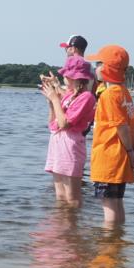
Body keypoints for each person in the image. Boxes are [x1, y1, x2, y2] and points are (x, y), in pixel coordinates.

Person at [86, 45, 134, 226]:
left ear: (107, 68)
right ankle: (118, 243)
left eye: (98, 64)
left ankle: (108, 249)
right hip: (122, 159)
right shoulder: (124, 93)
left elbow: (122, 127)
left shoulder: (109, 95)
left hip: (108, 158)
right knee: (117, 203)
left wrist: (131, 151)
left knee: (109, 207)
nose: (95, 68)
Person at [39, 56, 96, 207]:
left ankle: (73, 228)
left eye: (65, 74)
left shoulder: (87, 97)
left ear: (74, 77)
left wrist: (55, 99)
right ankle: (62, 228)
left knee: (71, 196)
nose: (63, 76)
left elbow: (64, 123)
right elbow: (53, 124)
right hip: (57, 143)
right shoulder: (70, 95)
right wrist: (52, 101)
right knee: (60, 194)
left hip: (71, 145)